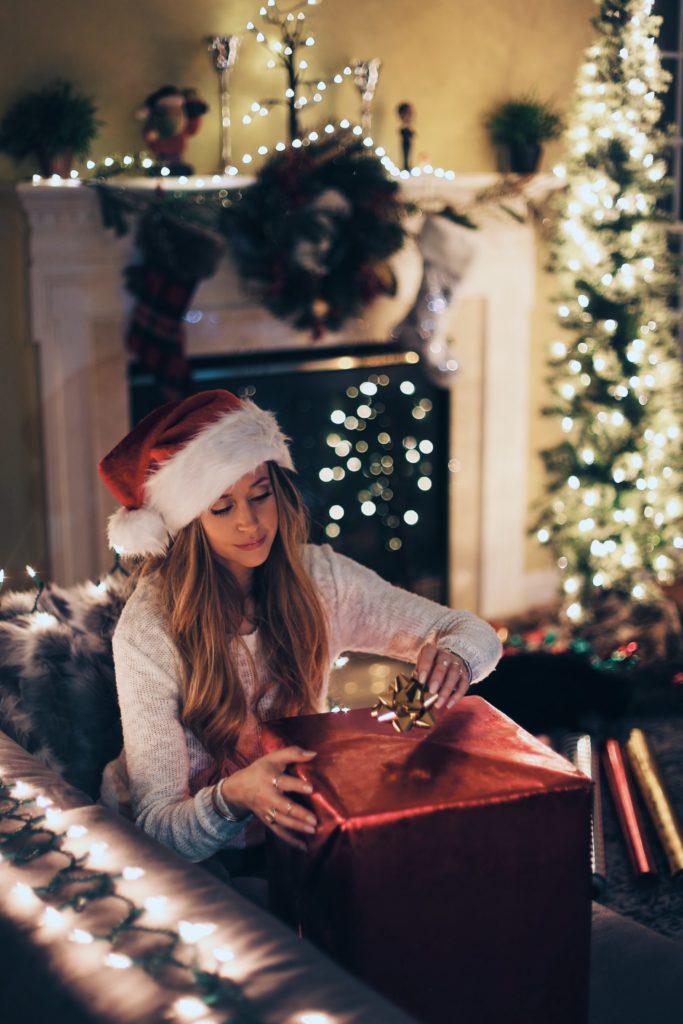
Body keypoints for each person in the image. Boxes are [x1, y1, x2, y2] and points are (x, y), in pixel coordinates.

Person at [98, 389, 502, 878]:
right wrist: (234, 797)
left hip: (294, 823)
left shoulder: (319, 579)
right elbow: (158, 829)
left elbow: (472, 632)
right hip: (179, 855)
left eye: (260, 494)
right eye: (221, 508)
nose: (250, 523)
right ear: (187, 523)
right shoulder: (149, 630)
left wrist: (456, 657)